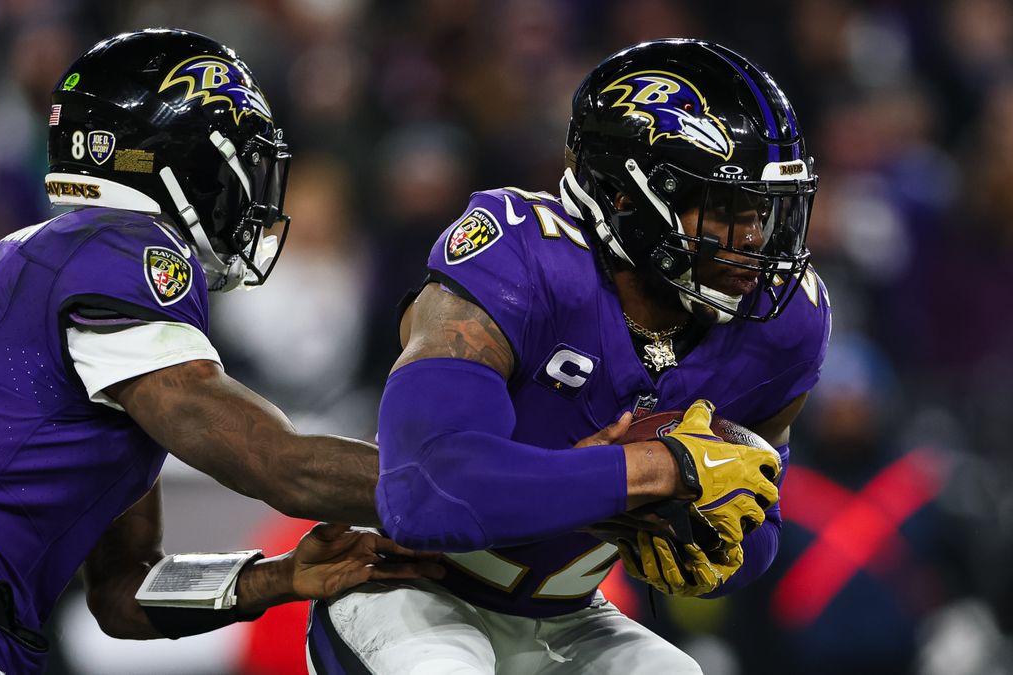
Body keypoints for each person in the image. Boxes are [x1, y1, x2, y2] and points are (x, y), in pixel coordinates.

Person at [0, 29, 444, 675]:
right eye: (244, 164)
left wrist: (280, 576)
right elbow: (278, 463)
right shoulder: (125, 245)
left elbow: (122, 590)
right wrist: (473, 483)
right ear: (184, 160)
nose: (257, 195)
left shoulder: (68, 261)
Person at [308, 38, 831, 673]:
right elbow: (425, 492)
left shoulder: (786, 322)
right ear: (625, 197)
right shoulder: (520, 258)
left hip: (572, 613)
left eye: (767, 210)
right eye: (726, 210)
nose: (755, 239)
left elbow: (759, 522)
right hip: (411, 589)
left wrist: (707, 550)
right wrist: (653, 471)